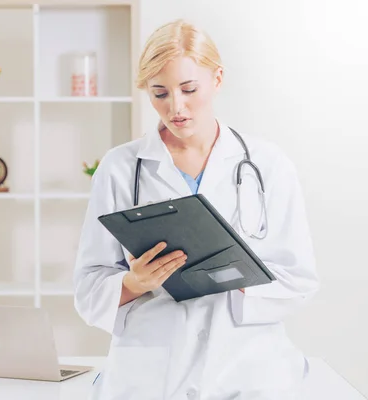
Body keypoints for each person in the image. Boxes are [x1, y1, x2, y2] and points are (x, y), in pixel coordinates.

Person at [73, 19, 320, 400]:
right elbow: (89, 290)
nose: (176, 107)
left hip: (248, 368)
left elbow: (299, 278)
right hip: (151, 374)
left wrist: (233, 278)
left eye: (189, 89)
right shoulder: (120, 168)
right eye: (159, 93)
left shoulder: (269, 164)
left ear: (217, 79)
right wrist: (136, 282)